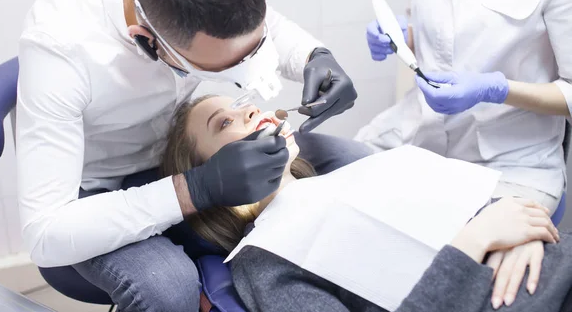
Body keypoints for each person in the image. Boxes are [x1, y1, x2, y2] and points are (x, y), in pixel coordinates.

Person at [16, 0, 370, 311]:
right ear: (147, 41)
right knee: (166, 287)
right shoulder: (60, 51)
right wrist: (197, 188)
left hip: (192, 146)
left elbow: (265, 29)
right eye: (229, 68)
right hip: (101, 186)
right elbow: (45, 234)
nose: (250, 100)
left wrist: (312, 56)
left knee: (361, 163)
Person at [159, 94, 570, 312]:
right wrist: (473, 243)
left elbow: (506, 212)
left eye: (240, 103)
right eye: (225, 123)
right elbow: (482, 230)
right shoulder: (265, 262)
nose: (248, 110)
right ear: (209, 179)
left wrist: (524, 232)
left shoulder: (364, 171)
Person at [359, 0, 572, 308]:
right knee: (355, 242)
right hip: (416, 140)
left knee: (472, 288)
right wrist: (403, 37)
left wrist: (497, 88)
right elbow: (440, 36)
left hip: (511, 166)